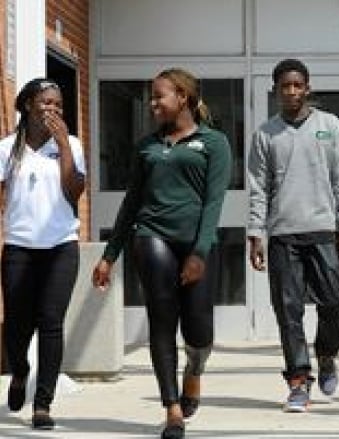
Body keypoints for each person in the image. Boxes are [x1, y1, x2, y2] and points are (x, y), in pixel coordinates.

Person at [92, 68, 232, 439]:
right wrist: (110, 255)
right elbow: (131, 202)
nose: (152, 103)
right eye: (152, 97)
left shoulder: (214, 142)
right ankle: (172, 408)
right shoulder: (147, 146)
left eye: (159, 96)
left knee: (199, 331)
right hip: (151, 236)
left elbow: (214, 203)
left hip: (196, 242)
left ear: (182, 97)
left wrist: (200, 252)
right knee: (162, 320)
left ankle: (194, 370)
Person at [247, 58, 339, 413]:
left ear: (308, 87)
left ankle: (326, 355)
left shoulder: (331, 126)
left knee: (333, 304)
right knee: (288, 311)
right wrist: (255, 232)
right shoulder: (266, 134)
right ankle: (298, 380)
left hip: (324, 232)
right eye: (285, 86)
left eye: (298, 85)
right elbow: (257, 189)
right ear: (276, 90)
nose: (292, 91)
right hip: (283, 235)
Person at [0, 78, 85, 430]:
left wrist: (64, 145)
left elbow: (74, 192)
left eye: (58, 104)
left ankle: (43, 404)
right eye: (45, 102)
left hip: (61, 246)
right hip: (20, 248)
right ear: (27, 106)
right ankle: (20, 370)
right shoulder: (7, 148)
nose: (53, 109)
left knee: (51, 324)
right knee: (17, 329)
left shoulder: (72, 145)